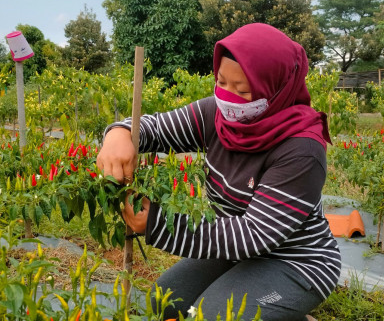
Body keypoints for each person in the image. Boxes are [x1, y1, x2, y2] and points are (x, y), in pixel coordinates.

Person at [97, 23, 341, 321]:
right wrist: (119, 134)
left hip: (296, 262)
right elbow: (156, 128)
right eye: (222, 82)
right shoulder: (217, 114)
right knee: (165, 301)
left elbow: (254, 234)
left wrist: (156, 224)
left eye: (243, 90)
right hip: (235, 253)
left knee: (210, 316)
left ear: (275, 89)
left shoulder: (302, 151)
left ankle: (286, 311)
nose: (228, 98)